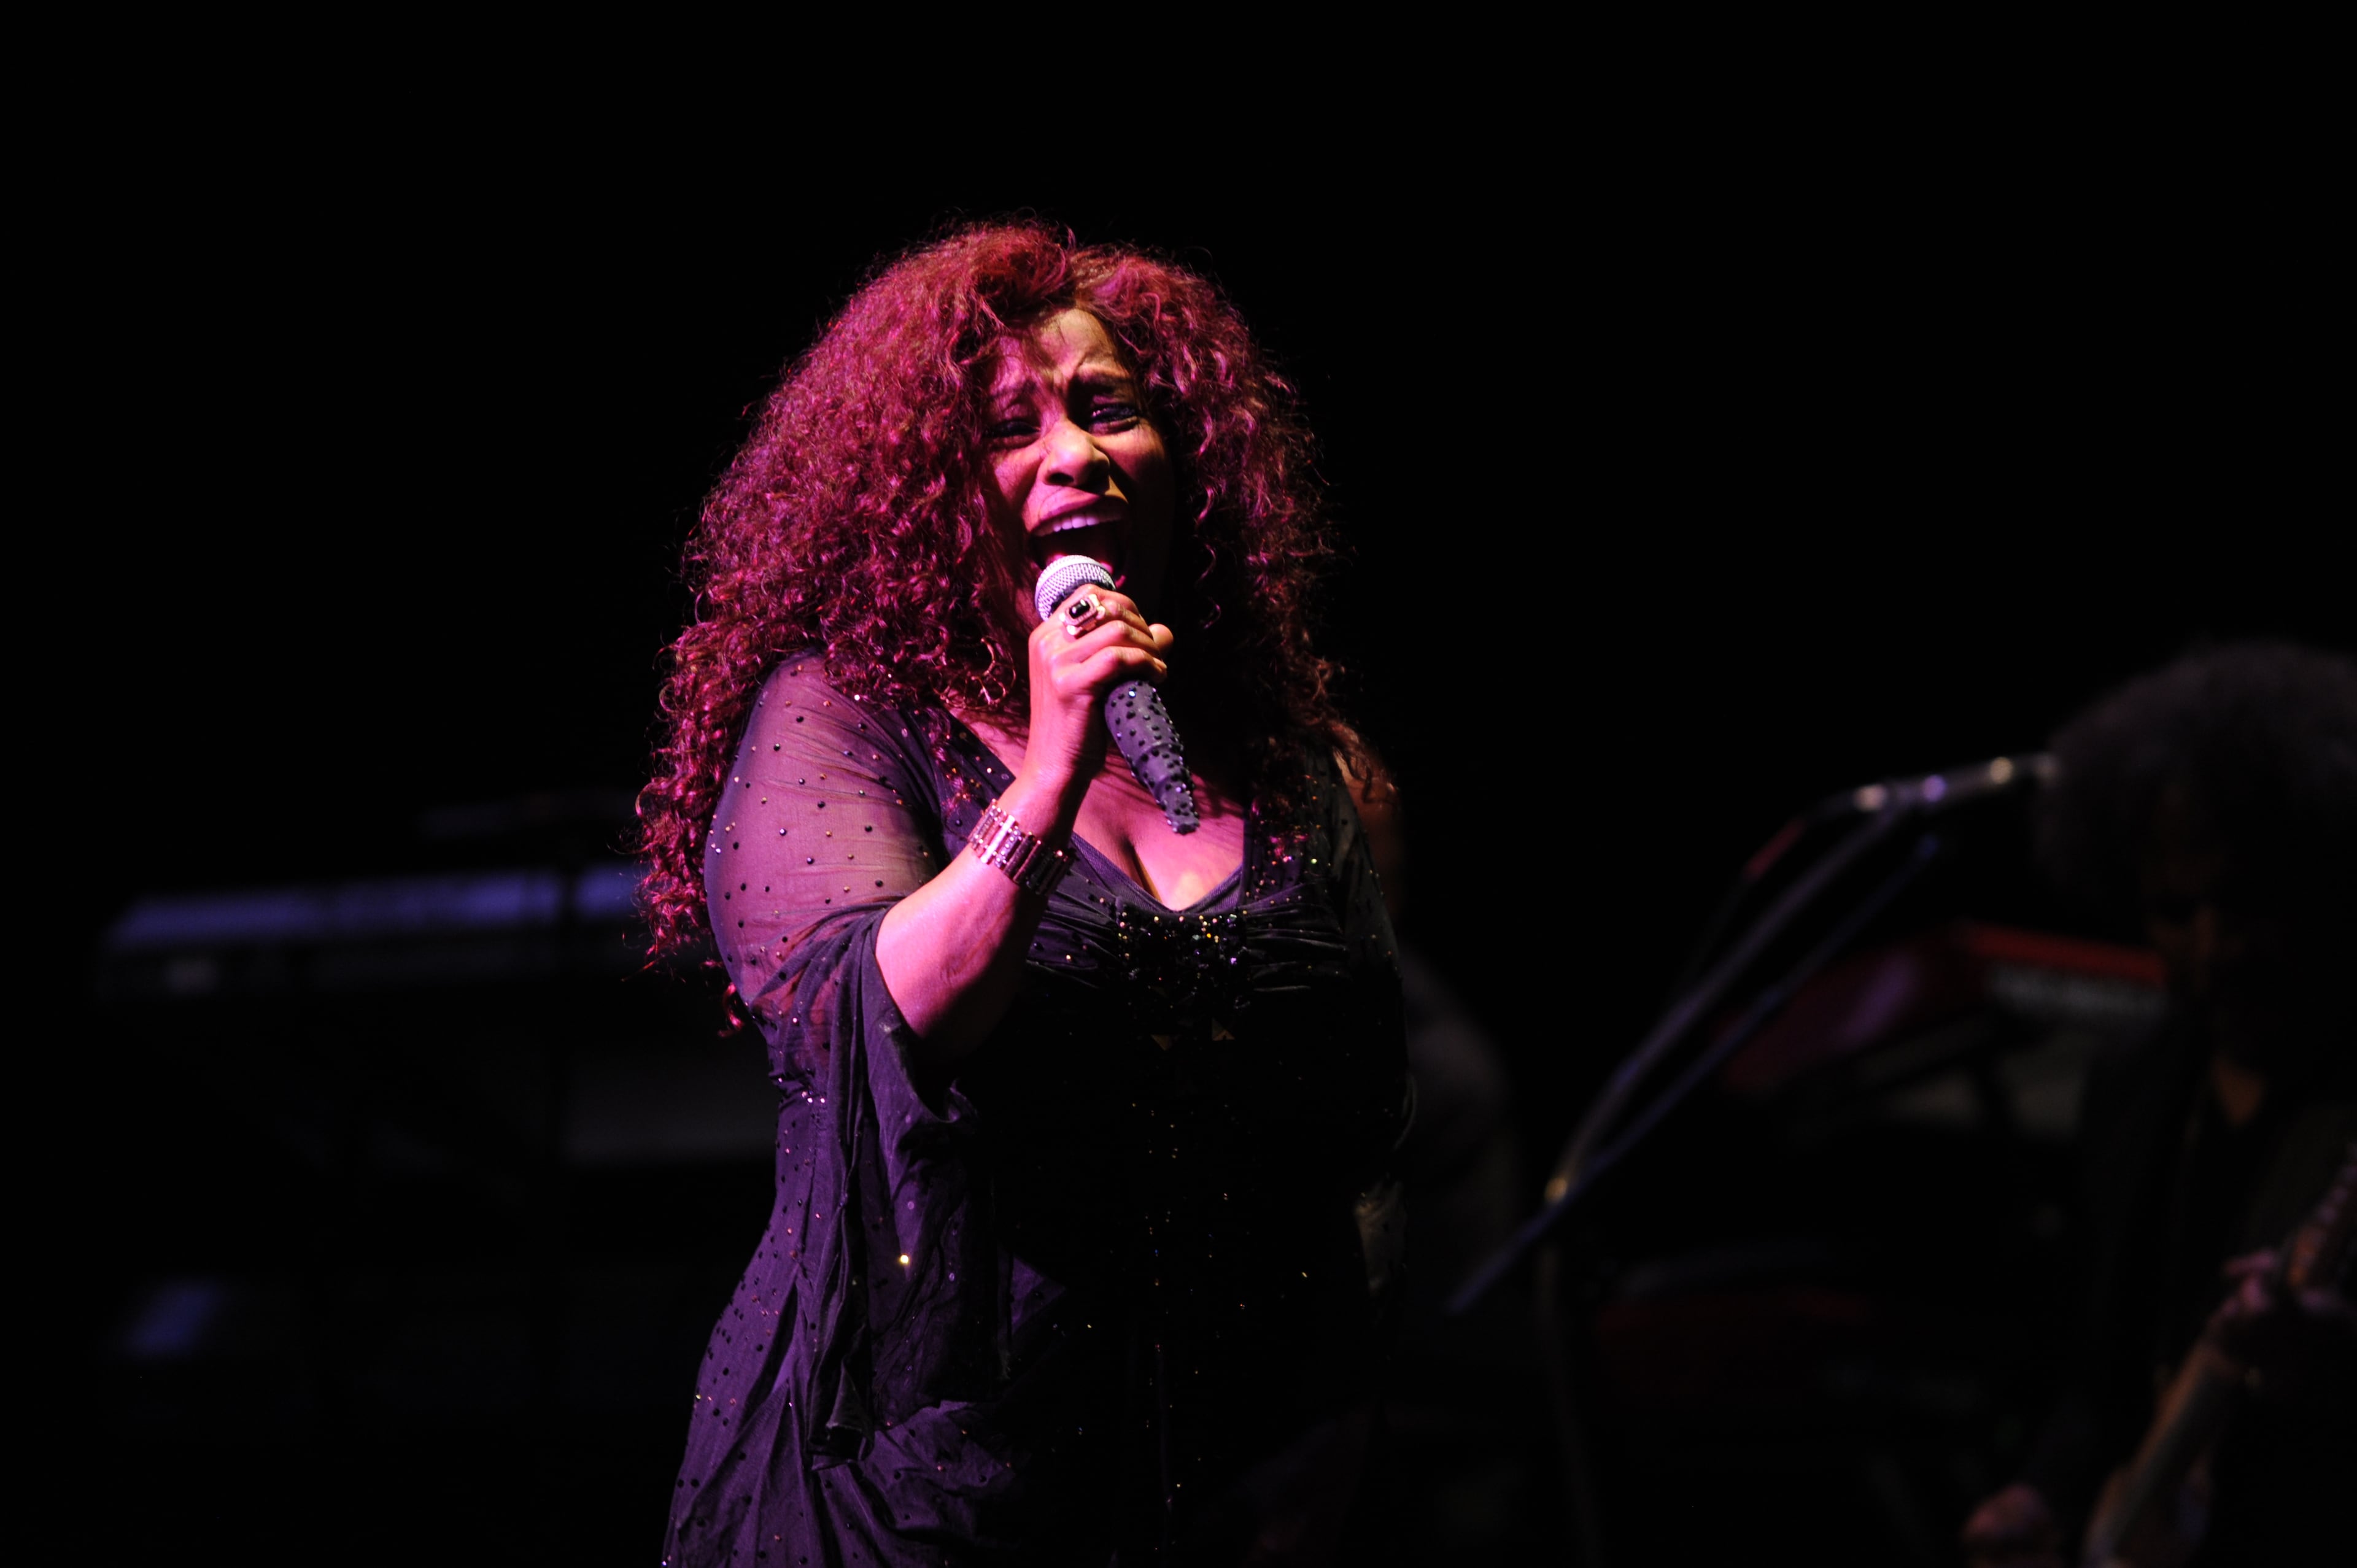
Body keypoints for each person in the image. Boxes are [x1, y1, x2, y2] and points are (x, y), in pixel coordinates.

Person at [636, 225, 1411, 1567]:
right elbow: (878, 1015)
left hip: (1240, 1482)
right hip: (929, 1489)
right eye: (1009, 430)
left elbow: (1355, 1137)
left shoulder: (1289, 767)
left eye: (1108, 409)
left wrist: (1347, 1416)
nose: (1075, 453)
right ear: (924, 498)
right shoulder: (841, 719)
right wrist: (1047, 779)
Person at [1961, 642, 2357, 1567]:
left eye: (2253, 901)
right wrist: (2042, 1494)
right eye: (2176, 910)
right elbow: (2100, 1380)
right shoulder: (2138, 1081)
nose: (2215, 945)